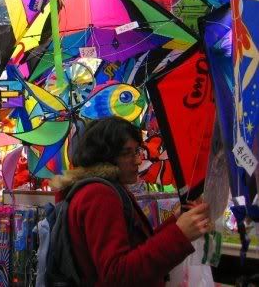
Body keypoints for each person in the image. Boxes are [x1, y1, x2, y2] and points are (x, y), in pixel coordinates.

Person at [51, 116, 211, 286]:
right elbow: (117, 275)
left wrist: (176, 222)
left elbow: (138, 247)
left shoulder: (100, 189)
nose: (138, 160)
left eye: (137, 151)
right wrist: (180, 234)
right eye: (128, 153)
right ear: (106, 156)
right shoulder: (99, 194)